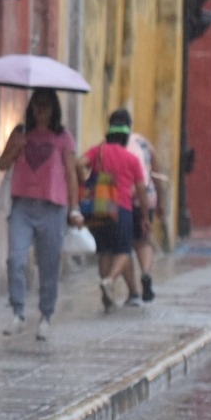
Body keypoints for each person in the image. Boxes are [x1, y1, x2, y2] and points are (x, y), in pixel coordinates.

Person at [0, 88, 84, 341]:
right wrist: (16, 148)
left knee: (49, 265)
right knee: (16, 259)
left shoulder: (62, 137)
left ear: (53, 109)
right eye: (37, 105)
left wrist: (74, 208)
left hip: (52, 208)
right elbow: (2, 164)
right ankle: (18, 314)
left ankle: (46, 315)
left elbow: (70, 173)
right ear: (31, 108)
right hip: (22, 205)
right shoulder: (20, 133)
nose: (40, 110)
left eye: (45, 106)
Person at [78, 109, 149, 312]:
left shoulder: (98, 152)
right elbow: (142, 191)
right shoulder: (131, 159)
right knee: (124, 251)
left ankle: (106, 297)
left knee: (105, 252)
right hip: (123, 208)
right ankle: (109, 281)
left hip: (101, 207)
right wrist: (144, 216)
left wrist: (83, 181)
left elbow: (79, 163)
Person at [125, 127, 164, 305]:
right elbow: (156, 175)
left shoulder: (111, 143)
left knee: (123, 247)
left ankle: (133, 292)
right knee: (143, 241)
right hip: (147, 198)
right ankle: (146, 272)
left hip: (123, 200)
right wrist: (161, 202)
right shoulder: (144, 143)